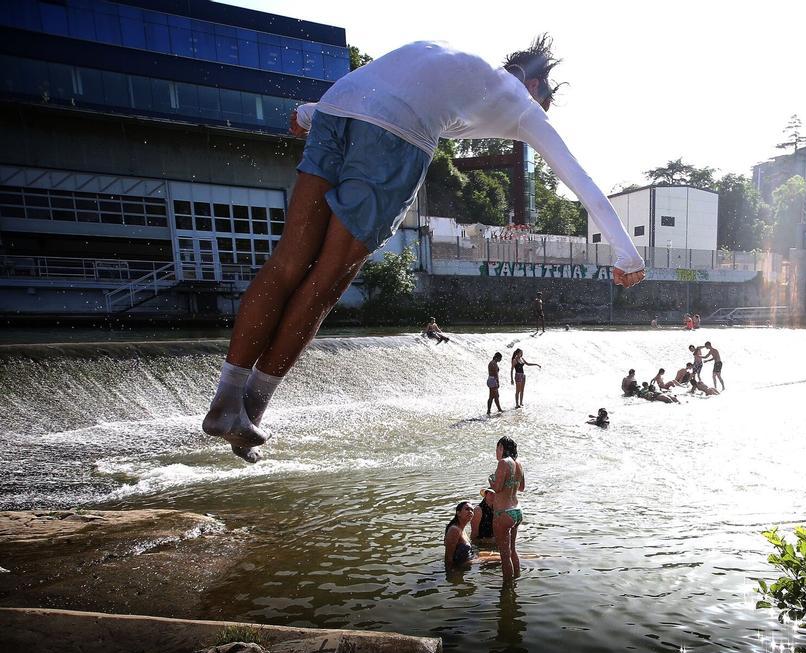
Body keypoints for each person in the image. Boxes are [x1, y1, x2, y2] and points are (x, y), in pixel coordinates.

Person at [202, 36, 645, 463]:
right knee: (326, 279)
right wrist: (628, 255)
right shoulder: (523, 104)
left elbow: (383, 88)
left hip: (339, 104)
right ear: (535, 84)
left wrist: (308, 112)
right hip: (397, 134)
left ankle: (226, 401)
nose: (541, 111)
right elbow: (581, 181)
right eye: (545, 99)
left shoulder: (458, 62)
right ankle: (251, 409)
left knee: (288, 262)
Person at [489, 436, 525, 580]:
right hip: (517, 511)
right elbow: (522, 488)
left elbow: (497, 488)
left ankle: (507, 590)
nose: (496, 453)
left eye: (497, 449)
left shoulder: (503, 463)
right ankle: (516, 581)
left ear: (501, 448)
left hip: (503, 513)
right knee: (513, 551)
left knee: (504, 556)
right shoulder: (519, 464)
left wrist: (491, 480)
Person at [444, 501, 475, 568]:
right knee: (500, 558)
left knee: (500, 555)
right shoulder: (454, 530)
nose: (470, 512)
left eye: (472, 510)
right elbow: (448, 558)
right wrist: (451, 574)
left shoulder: (462, 529)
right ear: (458, 513)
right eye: (467, 509)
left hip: (471, 558)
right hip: (463, 564)